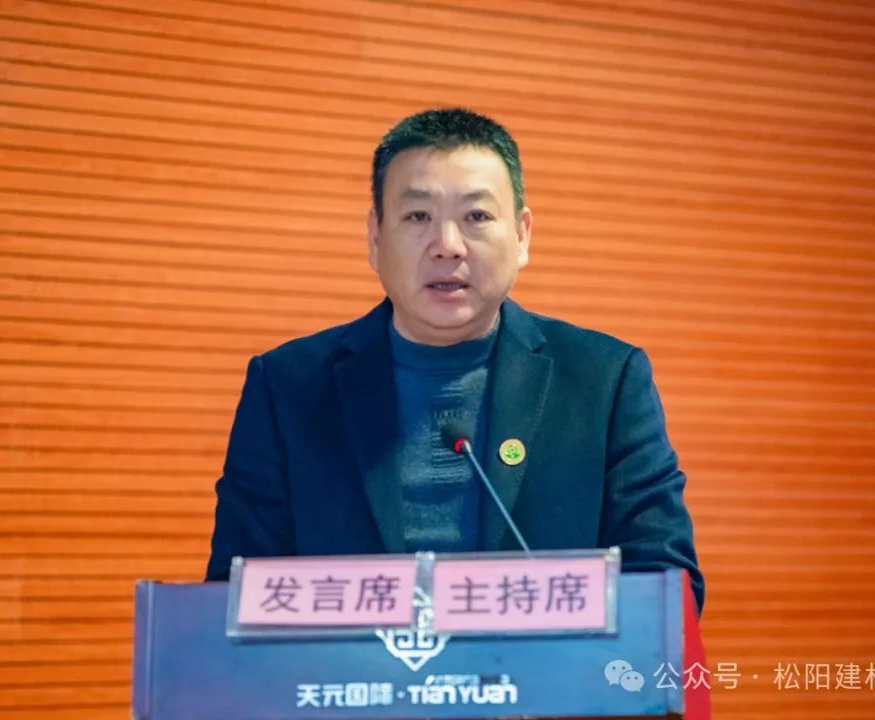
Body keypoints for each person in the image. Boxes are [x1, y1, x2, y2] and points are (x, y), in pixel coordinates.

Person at [206, 108, 704, 612]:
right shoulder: (288, 388)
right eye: (418, 216)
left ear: (522, 235)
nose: (447, 246)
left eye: (477, 217)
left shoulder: (605, 382)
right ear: (376, 238)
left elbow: (664, 585)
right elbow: (235, 594)